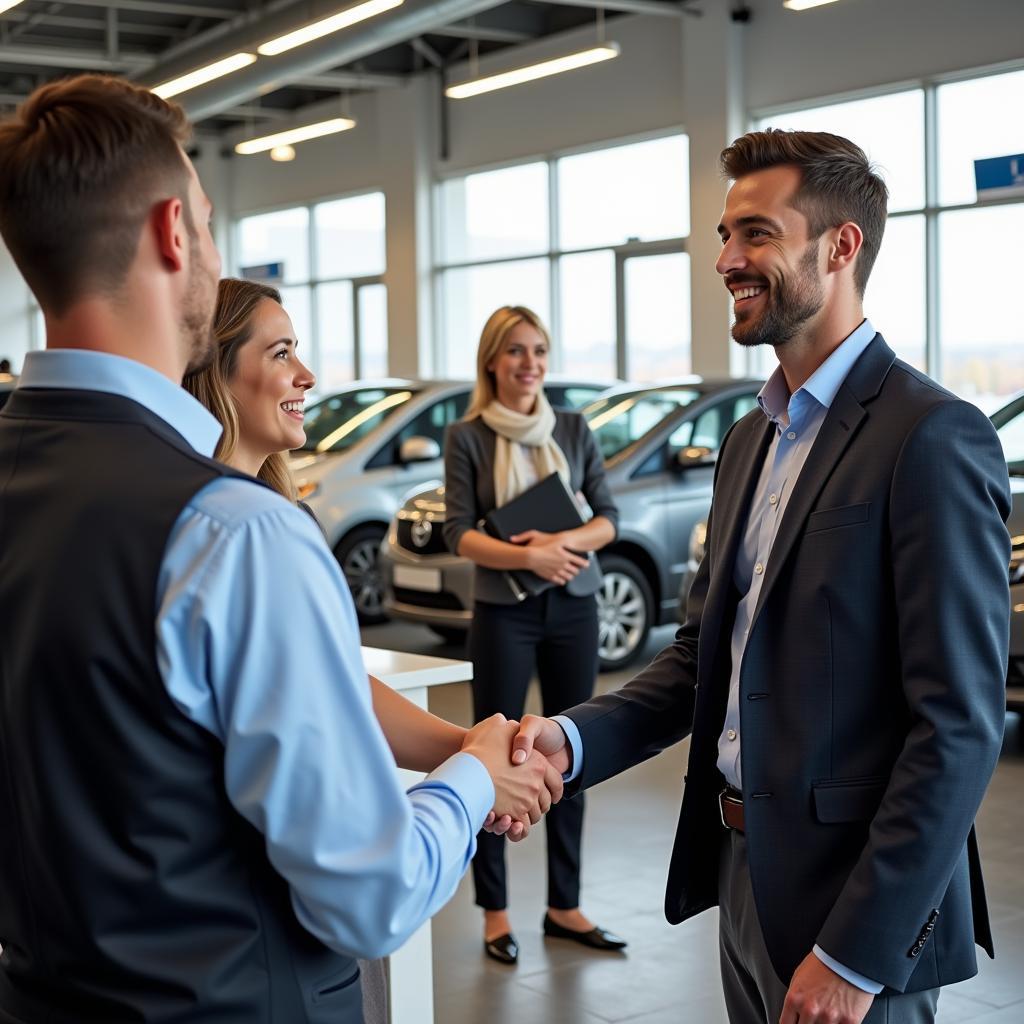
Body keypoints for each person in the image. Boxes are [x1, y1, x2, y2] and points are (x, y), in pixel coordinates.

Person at [0, 74, 560, 1023]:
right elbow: (370, 894)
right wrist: (472, 779)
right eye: (212, 225)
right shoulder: (229, 531)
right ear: (175, 233)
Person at [513, 129, 1011, 1024]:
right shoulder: (752, 439)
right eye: (723, 234)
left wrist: (857, 955)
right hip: (745, 875)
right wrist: (573, 741)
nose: (725, 259)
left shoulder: (929, 434)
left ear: (840, 246)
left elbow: (959, 727)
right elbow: (704, 657)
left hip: (853, 914)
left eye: (755, 234)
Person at [186, 275, 502, 1022]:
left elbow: (336, 684)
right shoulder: (246, 534)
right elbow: (371, 891)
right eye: (282, 352)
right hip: (261, 937)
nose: (307, 376)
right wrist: (476, 776)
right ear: (217, 372)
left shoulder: (264, 512)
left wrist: (472, 746)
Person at [443, 304, 625, 965]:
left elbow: (608, 516)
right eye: (517, 351)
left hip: (574, 604)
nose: (530, 364)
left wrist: (560, 542)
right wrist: (528, 557)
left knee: (571, 751)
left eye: (540, 351)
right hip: (504, 608)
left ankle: (563, 905)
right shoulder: (466, 436)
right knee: (496, 751)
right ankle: (495, 911)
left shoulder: (573, 429)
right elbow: (457, 532)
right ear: (493, 360)